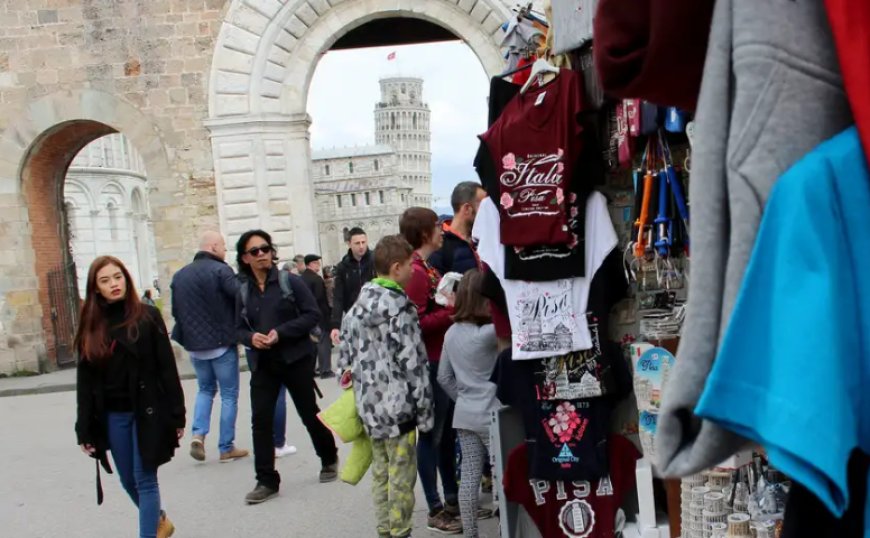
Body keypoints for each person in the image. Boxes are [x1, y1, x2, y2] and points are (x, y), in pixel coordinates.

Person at [75, 256, 185, 538]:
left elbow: (166, 369)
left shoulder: (147, 317)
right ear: (96, 288)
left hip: (147, 410)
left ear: (126, 279)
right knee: (127, 479)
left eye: (118, 277)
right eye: (105, 280)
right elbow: (85, 381)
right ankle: (158, 519)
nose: (113, 284)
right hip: (114, 414)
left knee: (145, 479)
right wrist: (84, 427)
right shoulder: (91, 324)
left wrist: (177, 413)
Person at [337, 235, 434, 538]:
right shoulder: (399, 308)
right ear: (396, 268)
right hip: (400, 407)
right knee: (401, 475)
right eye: (409, 267)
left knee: (381, 473)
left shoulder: (356, 308)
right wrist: (426, 411)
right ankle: (400, 529)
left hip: (369, 407)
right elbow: (414, 362)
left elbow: (344, 363)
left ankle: (384, 529)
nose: (412, 272)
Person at [235, 230, 339, 505]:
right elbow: (235, 327)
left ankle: (328, 458)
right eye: (255, 251)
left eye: (265, 248)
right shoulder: (242, 290)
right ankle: (266, 479)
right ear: (245, 258)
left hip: (295, 359)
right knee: (260, 420)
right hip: (263, 363)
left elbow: (312, 315)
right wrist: (250, 338)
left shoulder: (289, 281)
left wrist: (280, 332)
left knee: (308, 412)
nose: (261, 254)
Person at [400, 207, 462, 534]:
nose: (443, 231)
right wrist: (451, 313)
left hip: (441, 358)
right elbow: (416, 323)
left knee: (446, 434)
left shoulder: (426, 267)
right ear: (425, 233)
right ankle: (435, 507)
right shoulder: (417, 272)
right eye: (438, 227)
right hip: (431, 361)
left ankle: (451, 499)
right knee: (432, 436)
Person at [170, 231, 249, 464]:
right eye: (223, 246)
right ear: (213, 247)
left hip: (195, 346)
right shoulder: (221, 271)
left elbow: (176, 311)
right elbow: (240, 297)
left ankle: (198, 435)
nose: (225, 250)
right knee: (228, 395)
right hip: (221, 343)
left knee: (204, 390)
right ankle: (226, 447)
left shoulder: (180, 275)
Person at [437, 269, 499, 538]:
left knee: (470, 477)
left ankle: (471, 533)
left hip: (465, 415)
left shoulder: (450, 333)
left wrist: (462, 398)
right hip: (493, 415)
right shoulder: (489, 333)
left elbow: (443, 377)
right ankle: (505, 529)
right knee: (502, 475)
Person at [429, 181, 488, 276]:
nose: (488, 213)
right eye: (484, 207)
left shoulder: (483, 240)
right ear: (467, 209)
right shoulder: (440, 246)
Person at [330, 227, 376, 345]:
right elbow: (338, 297)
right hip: (354, 319)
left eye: (363, 242)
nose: (361, 246)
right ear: (349, 244)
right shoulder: (342, 267)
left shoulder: (375, 260)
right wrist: (335, 325)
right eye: (357, 243)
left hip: (376, 316)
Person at [300, 254, 334, 379]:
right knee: (324, 341)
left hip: (306, 315)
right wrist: (327, 315)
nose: (318, 265)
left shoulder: (302, 278)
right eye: (315, 263)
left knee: (312, 343)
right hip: (320, 315)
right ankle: (325, 369)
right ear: (309, 264)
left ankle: (311, 369)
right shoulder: (316, 279)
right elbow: (320, 299)